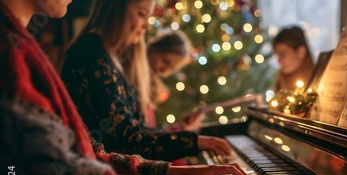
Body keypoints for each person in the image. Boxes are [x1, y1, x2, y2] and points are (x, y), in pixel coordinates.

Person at [0, 0, 276, 175]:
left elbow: (90, 156)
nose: (146, 26)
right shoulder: (22, 55)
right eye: (142, 14)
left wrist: (173, 172)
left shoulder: (22, 48)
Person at [61, 1, 229, 161]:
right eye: (142, 14)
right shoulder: (92, 54)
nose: (147, 26)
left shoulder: (111, 59)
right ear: (117, 7)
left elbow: (137, 130)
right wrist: (194, 141)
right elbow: (128, 140)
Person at [147, 30, 205, 131]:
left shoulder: (153, 88)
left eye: (171, 68)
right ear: (154, 48)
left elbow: (149, 134)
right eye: (165, 61)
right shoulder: (134, 80)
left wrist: (181, 129)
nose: (165, 69)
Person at [272, 26, 316, 92]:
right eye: (277, 55)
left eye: (282, 55)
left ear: (301, 52)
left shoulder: (318, 80)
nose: (278, 60)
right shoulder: (280, 83)